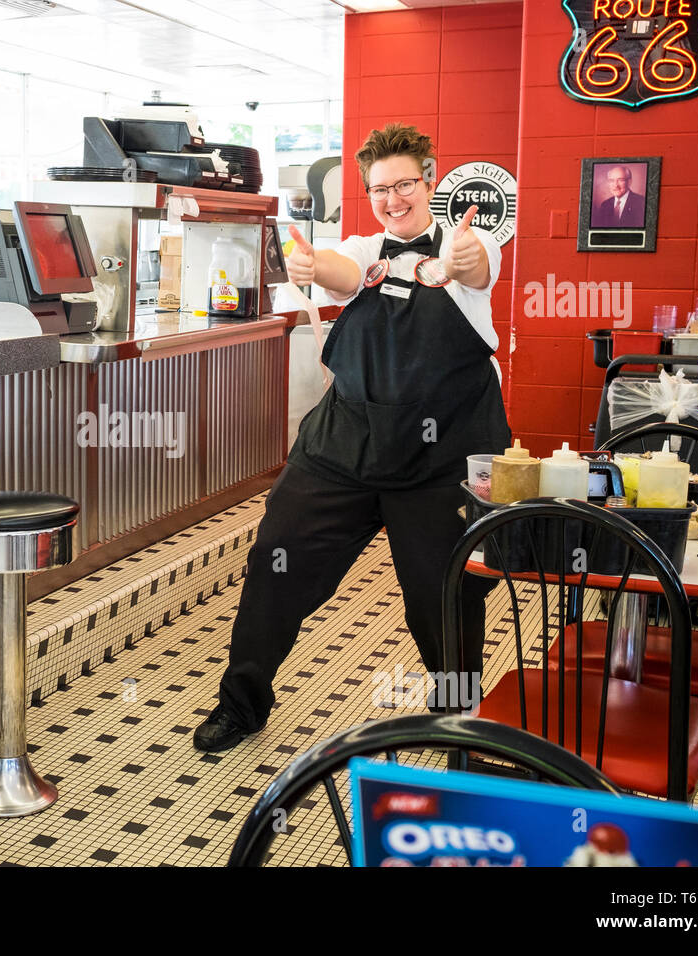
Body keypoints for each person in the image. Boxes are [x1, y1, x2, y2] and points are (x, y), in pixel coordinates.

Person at [194, 123, 512, 752]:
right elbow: (342, 271)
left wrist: (460, 259)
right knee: (276, 564)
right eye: (379, 190)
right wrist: (313, 264)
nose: (393, 200)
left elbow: (473, 268)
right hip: (346, 444)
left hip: (441, 454)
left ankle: (455, 719)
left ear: (429, 180)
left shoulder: (467, 246)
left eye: (404, 185)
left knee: (444, 594)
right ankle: (242, 705)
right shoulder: (365, 248)